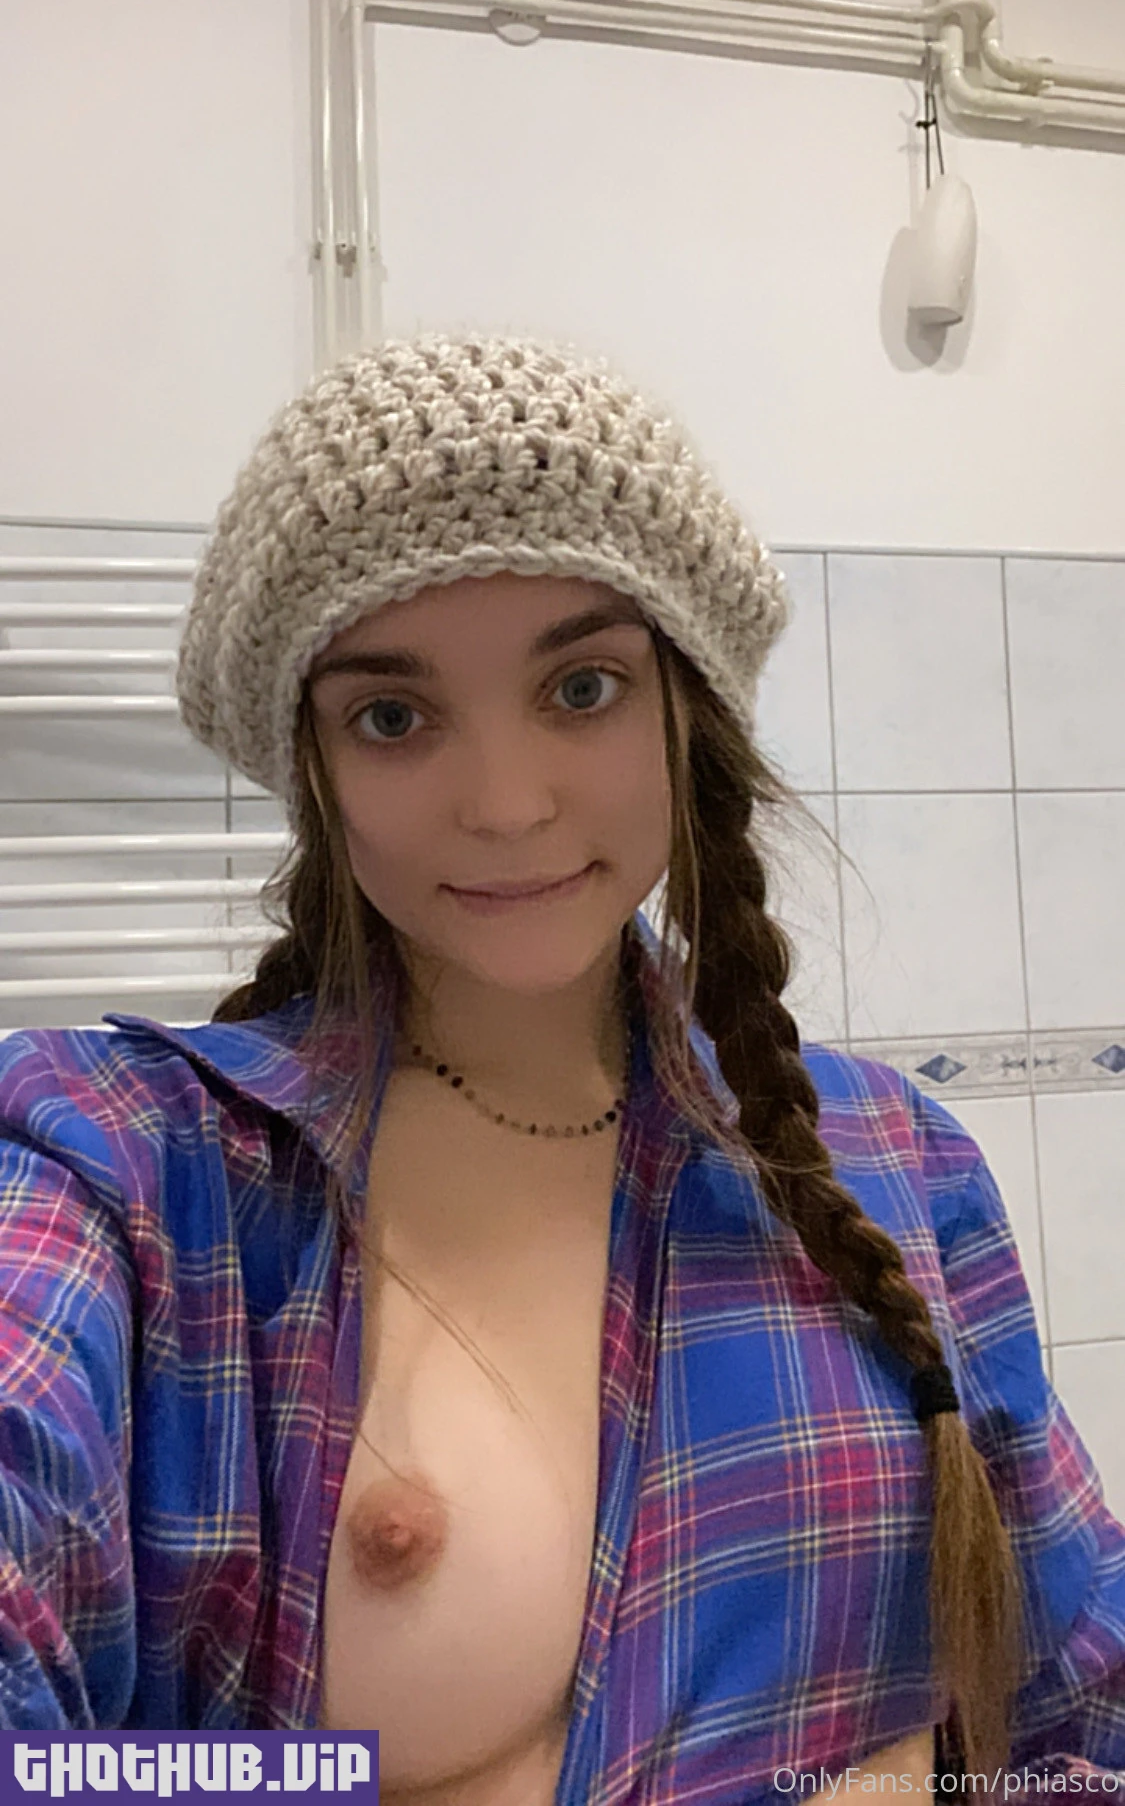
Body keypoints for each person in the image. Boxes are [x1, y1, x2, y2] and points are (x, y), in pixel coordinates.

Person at [0, 335, 1123, 1805]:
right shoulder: (122, 1168)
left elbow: (1081, 1703)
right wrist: (344, 1784)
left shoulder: (897, 1162)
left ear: (684, 708)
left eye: (582, 687)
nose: (508, 805)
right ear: (317, 765)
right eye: (393, 717)